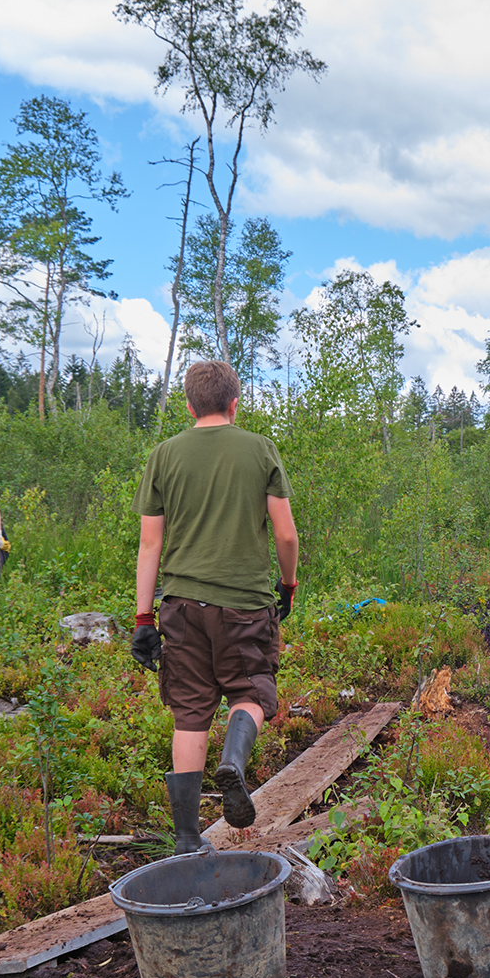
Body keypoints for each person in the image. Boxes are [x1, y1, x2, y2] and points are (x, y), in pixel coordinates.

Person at [131, 359, 299, 854]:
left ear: (188, 404)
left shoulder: (164, 455)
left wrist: (143, 619)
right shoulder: (259, 449)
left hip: (180, 605)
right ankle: (233, 762)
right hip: (244, 603)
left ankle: (186, 838)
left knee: (188, 713)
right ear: (234, 402)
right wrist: (287, 584)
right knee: (251, 692)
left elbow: (149, 545)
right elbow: (286, 533)